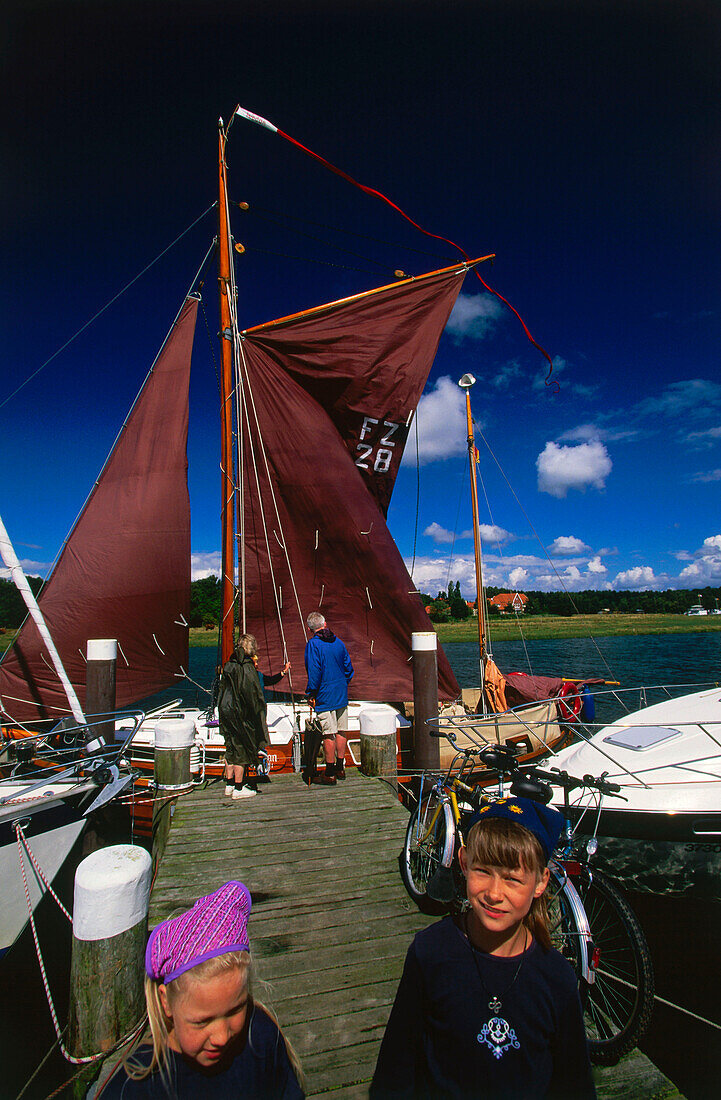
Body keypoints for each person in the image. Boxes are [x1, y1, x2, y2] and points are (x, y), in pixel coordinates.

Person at [370, 797, 596, 1099]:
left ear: (541, 882)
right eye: (483, 871)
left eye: (513, 879)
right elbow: (395, 1068)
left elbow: (574, 1084)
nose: (494, 893)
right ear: (463, 863)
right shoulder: (431, 953)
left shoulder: (556, 977)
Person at [102, 881, 304, 1098]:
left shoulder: (261, 1036)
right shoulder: (134, 1087)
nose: (221, 1037)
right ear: (166, 1002)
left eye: (235, 1010)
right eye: (202, 1021)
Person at [304, 611, 353, 785]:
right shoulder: (339, 643)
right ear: (324, 624)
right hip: (341, 693)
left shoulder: (313, 645)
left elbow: (315, 672)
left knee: (328, 734)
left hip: (324, 694)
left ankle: (330, 773)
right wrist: (342, 683)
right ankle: (340, 767)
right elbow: (349, 668)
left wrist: (312, 693)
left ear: (311, 629)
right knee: (341, 730)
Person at [218, 634, 269, 800]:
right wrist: (258, 713)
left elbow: (223, 689)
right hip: (239, 712)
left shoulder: (229, 664)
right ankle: (239, 788)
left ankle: (229, 784)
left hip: (225, 709)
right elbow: (252, 694)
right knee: (241, 748)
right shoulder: (247, 667)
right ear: (251, 648)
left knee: (230, 745)